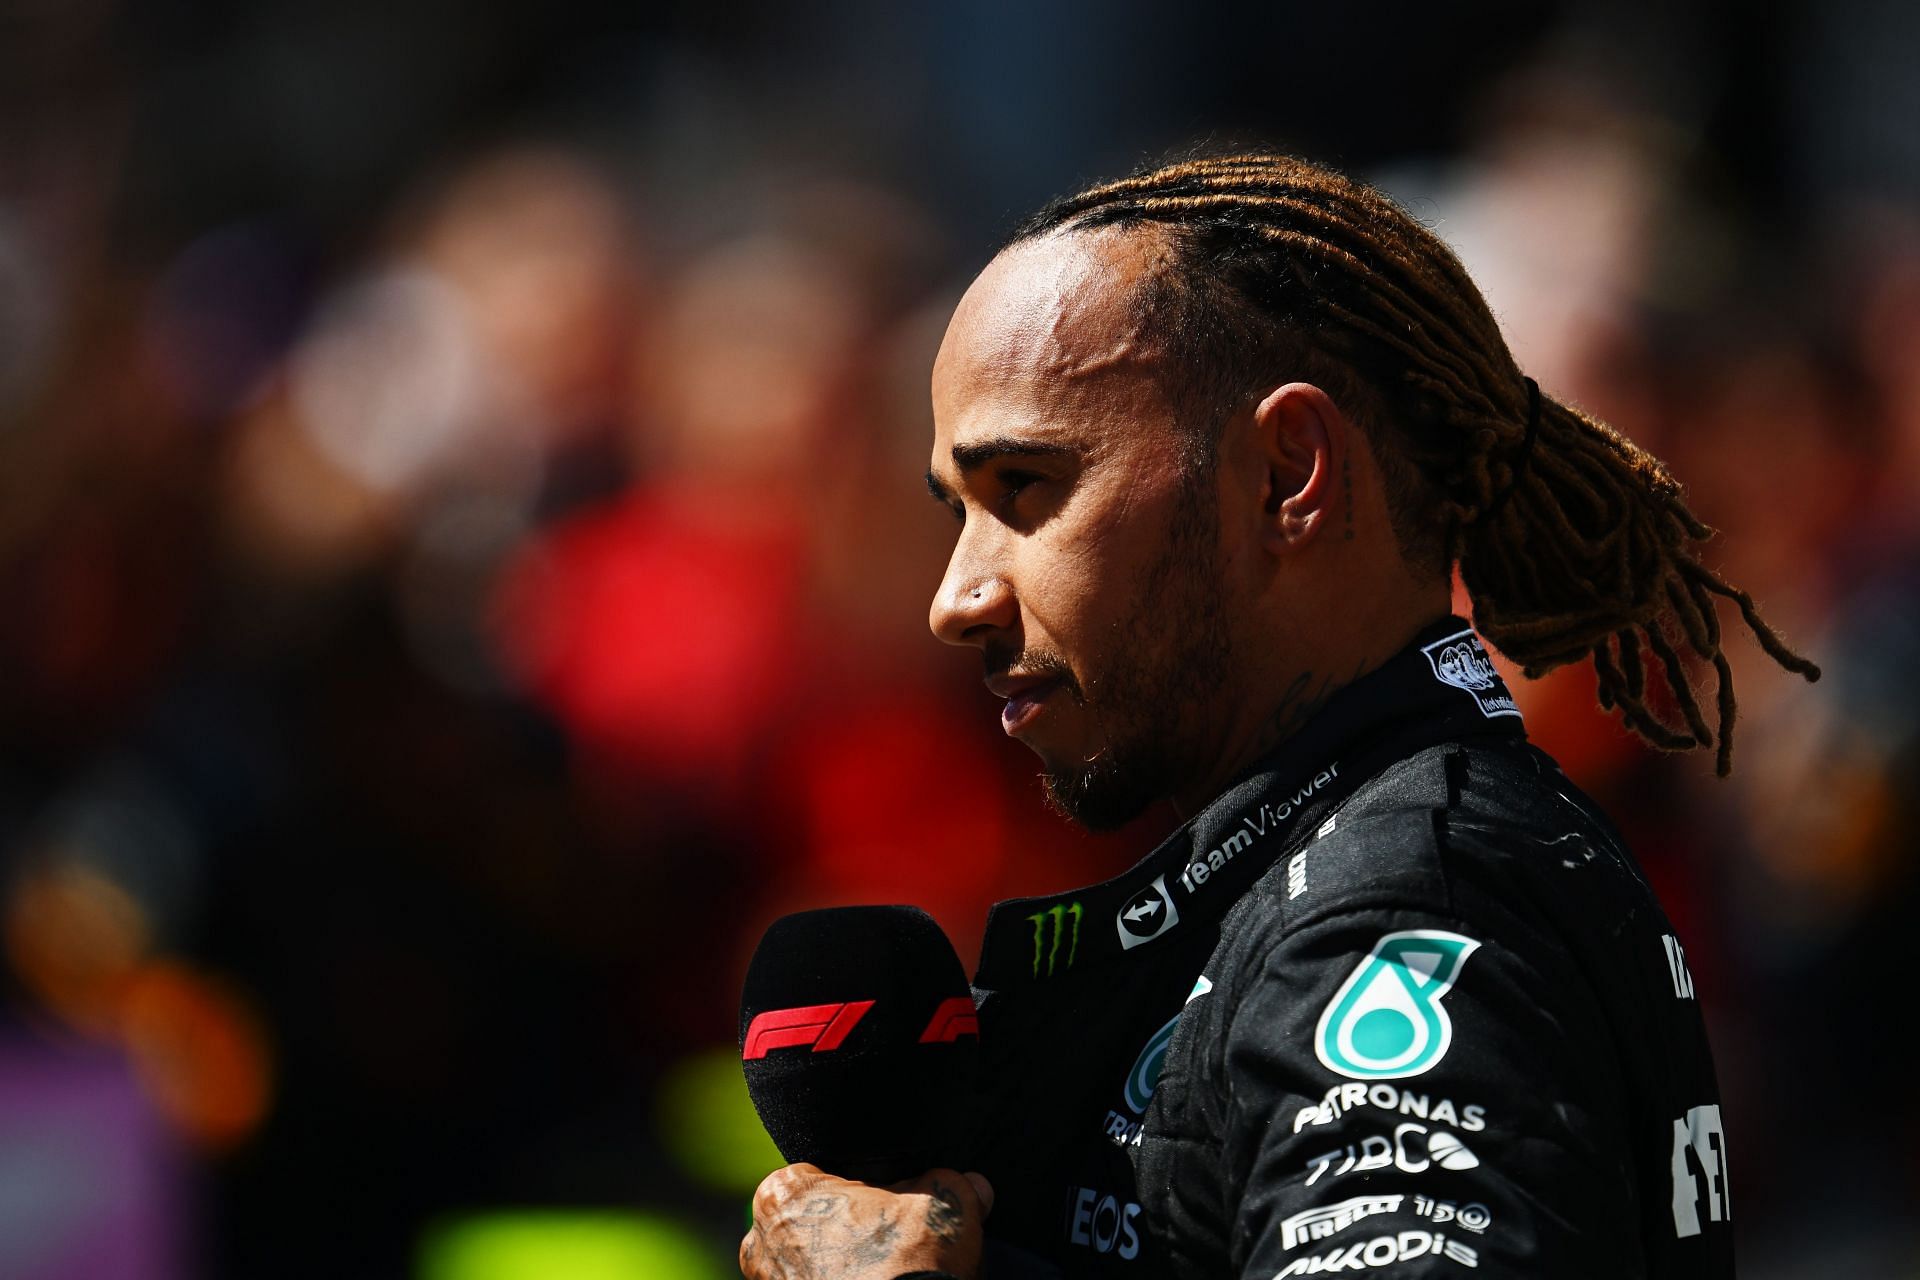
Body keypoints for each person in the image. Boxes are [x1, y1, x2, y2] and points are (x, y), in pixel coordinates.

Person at [738, 152, 1818, 1279]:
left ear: (1287, 473)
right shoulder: (1349, 858)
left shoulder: (1403, 901)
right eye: (959, 509)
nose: (956, 597)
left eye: (1026, 489)